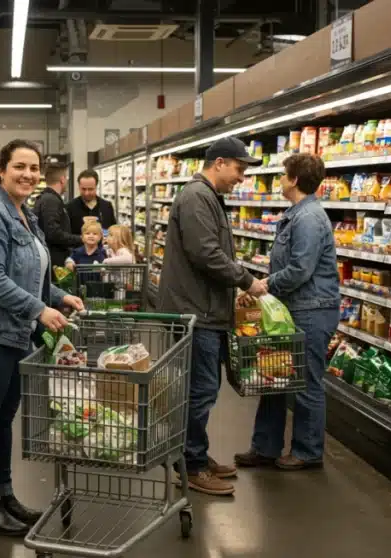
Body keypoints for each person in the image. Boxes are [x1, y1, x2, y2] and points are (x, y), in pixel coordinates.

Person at [0, 139, 84, 537]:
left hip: (14, 332)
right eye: (20, 167)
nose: (28, 174)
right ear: (1, 169)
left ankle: (5, 495)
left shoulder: (25, 214)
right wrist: (40, 310)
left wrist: (59, 296)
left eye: (34, 167)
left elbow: (30, 272)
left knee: (3, 418)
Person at [157, 137, 267, 496]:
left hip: (204, 308)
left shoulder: (208, 196)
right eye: (239, 168)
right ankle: (190, 464)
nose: (241, 177)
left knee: (201, 388)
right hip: (195, 311)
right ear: (219, 162)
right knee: (199, 390)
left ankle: (196, 456)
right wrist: (246, 280)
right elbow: (205, 252)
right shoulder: (196, 197)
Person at [235, 153, 340, 470]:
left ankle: (308, 452)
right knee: (274, 376)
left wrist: (264, 285)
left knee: (307, 381)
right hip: (292, 308)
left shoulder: (308, 218)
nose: (279, 179)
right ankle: (265, 447)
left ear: (294, 180)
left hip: (312, 309)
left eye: (283, 175)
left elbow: (300, 269)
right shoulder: (297, 213)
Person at [33, 162, 81, 275]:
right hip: (54, 264)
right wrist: (80, 239)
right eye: (67, 178)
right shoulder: (51, 201)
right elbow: (53, 233)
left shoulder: (47, 198)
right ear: (62, 179)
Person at [67, 169, 116, 234]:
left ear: (96, 187)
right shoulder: (70, 207)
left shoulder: (107, 206)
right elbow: (66, 235)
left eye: (90, 189)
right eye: (83, 189)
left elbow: (113, 230)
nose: (86, 193)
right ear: (79, 187)